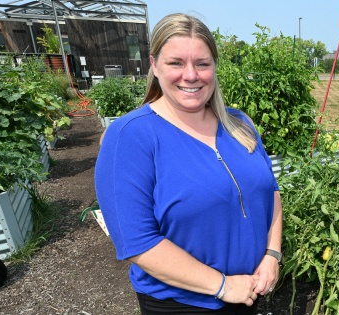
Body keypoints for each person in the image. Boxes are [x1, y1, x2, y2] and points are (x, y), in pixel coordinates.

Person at [94, 13, 283, 315]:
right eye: (176, 63)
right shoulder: (131, 137)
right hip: (181, 304)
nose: (191, 75)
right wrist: (222, 285)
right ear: (154, 65)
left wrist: (272, 254)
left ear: (214, 67)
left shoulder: (239, 125)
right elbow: (137, 242)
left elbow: (269, 191)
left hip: (249, 291)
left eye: (202, 63)